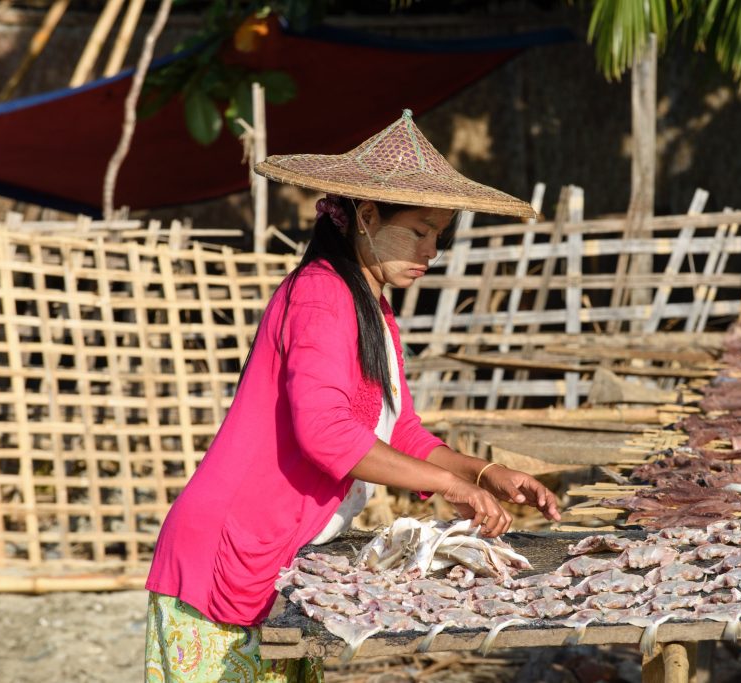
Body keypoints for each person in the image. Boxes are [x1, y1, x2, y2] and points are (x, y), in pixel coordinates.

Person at [144, 110, 561, 682]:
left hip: (277, 552)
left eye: (438, 234)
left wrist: (486, 474)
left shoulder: (372, 306)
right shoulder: (321, 295)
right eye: (418, 231)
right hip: (227, 550)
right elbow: (326, 432)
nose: (431, 252)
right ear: (366, 216)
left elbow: (399, 431)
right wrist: (447, 484)